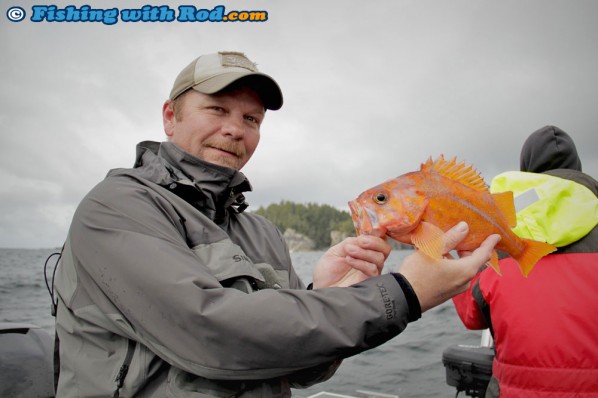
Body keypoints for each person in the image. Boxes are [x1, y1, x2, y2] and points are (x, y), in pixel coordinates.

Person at [53, 51, 499, 397]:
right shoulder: (116, 207)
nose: (235, 129)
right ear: (171, 117)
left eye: (250, 119)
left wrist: (326, 295)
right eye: (217, 109)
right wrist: (403, 293)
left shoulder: (260, 232)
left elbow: (298, 366)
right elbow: (213, 336)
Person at [452, 125, 598, 397]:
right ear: (577, 170)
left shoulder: (496, 238)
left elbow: (472, 317)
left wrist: (458, 260)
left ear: (526, 170)